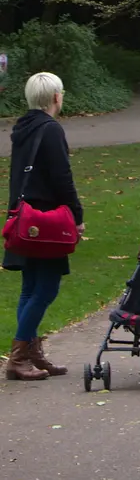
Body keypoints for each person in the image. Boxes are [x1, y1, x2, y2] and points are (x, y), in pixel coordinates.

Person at [4, 71, 84, 382]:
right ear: (55, 97)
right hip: (46, 220)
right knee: (47, 287)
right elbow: (62, 177)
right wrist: (76, 215)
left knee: (30, 286)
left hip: (25, 218)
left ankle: (31, 352)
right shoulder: (50, 130)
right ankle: (20, 356)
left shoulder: (23, 128)